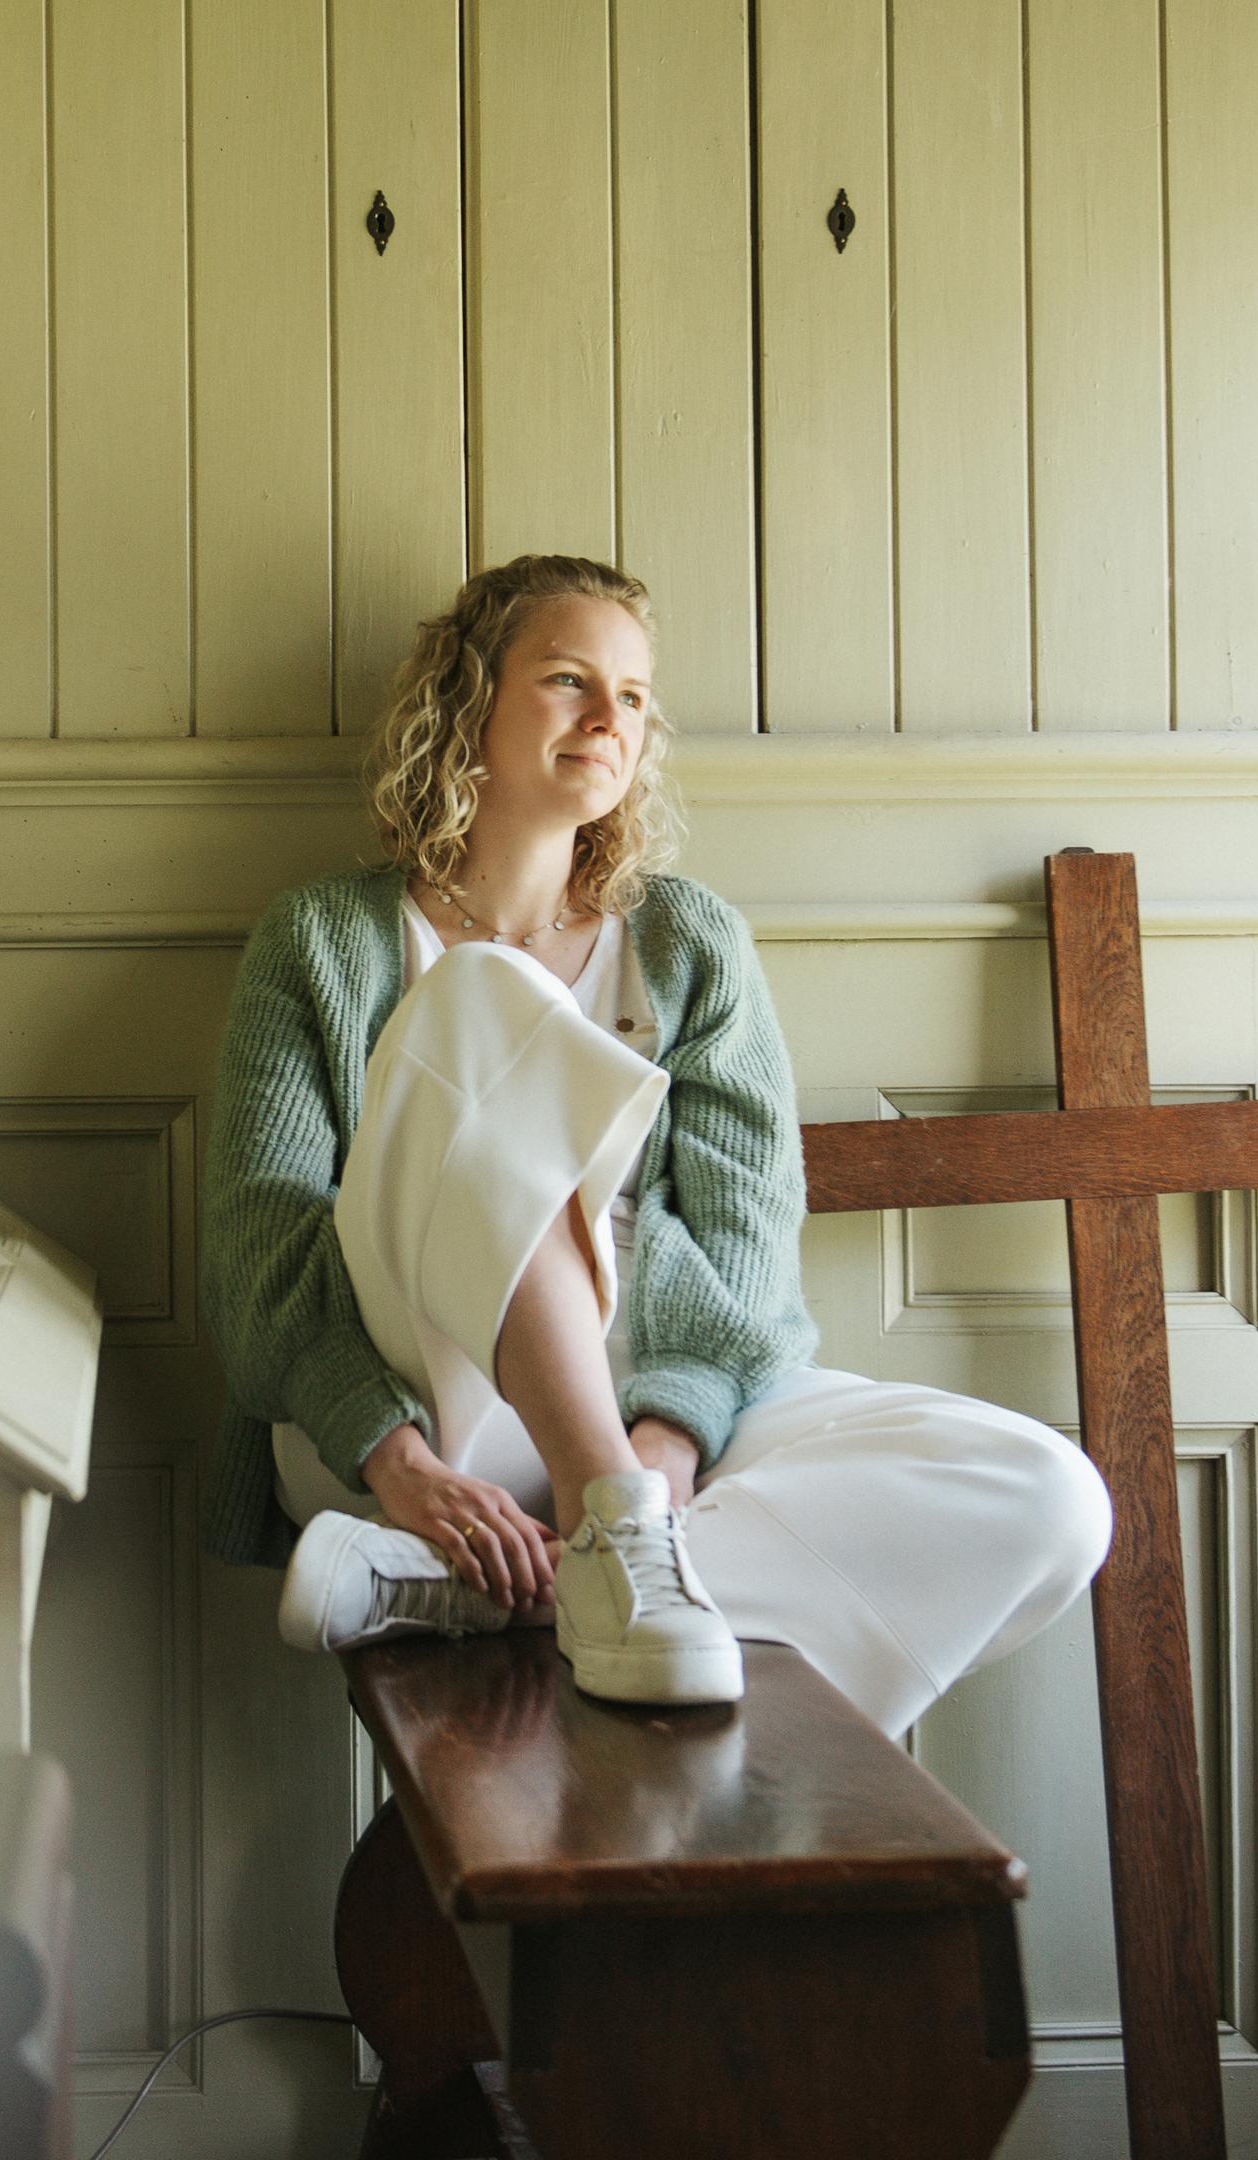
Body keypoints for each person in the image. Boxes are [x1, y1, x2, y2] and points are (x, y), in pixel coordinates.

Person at [200, 554, 1116, 1730]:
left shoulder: (690, 942)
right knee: (486, 1003)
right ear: (467, 702)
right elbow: (256, 1244)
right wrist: (401, 1467)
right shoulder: (328, 938)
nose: (607, 719)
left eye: (632, 697)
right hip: (410, 1418)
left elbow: (745, 1234)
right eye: (568, 681)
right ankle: (592, 1533)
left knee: (1052, 1499)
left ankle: (519, 1591)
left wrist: (666, 1454)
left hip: (659, 1409)